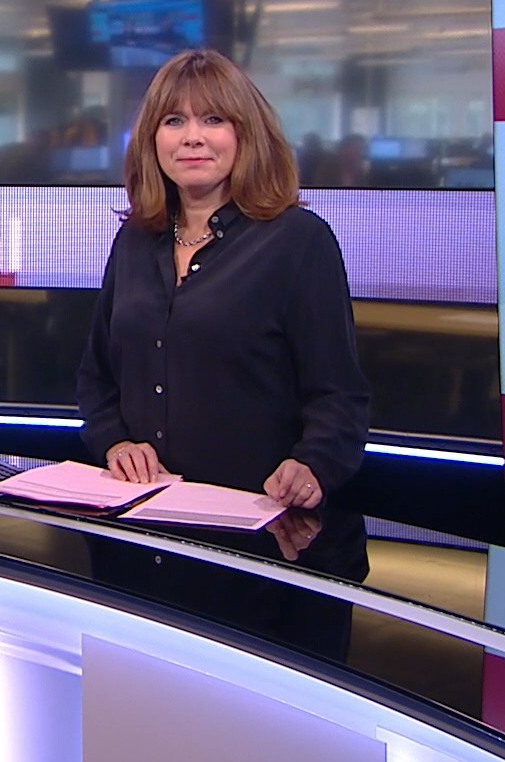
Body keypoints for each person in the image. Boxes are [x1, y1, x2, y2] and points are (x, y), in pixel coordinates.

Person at [76, 49, 369, 509]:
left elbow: (339, 394)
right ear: (152, 138)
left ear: (244, 134)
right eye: (174, 121)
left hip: (257, 520)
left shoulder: (297, 241)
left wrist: (312, 464)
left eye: (213, 119)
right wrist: (115, 443)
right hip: (140, 514)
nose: (192, 137)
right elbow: (98, 377)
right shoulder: (135, 239)